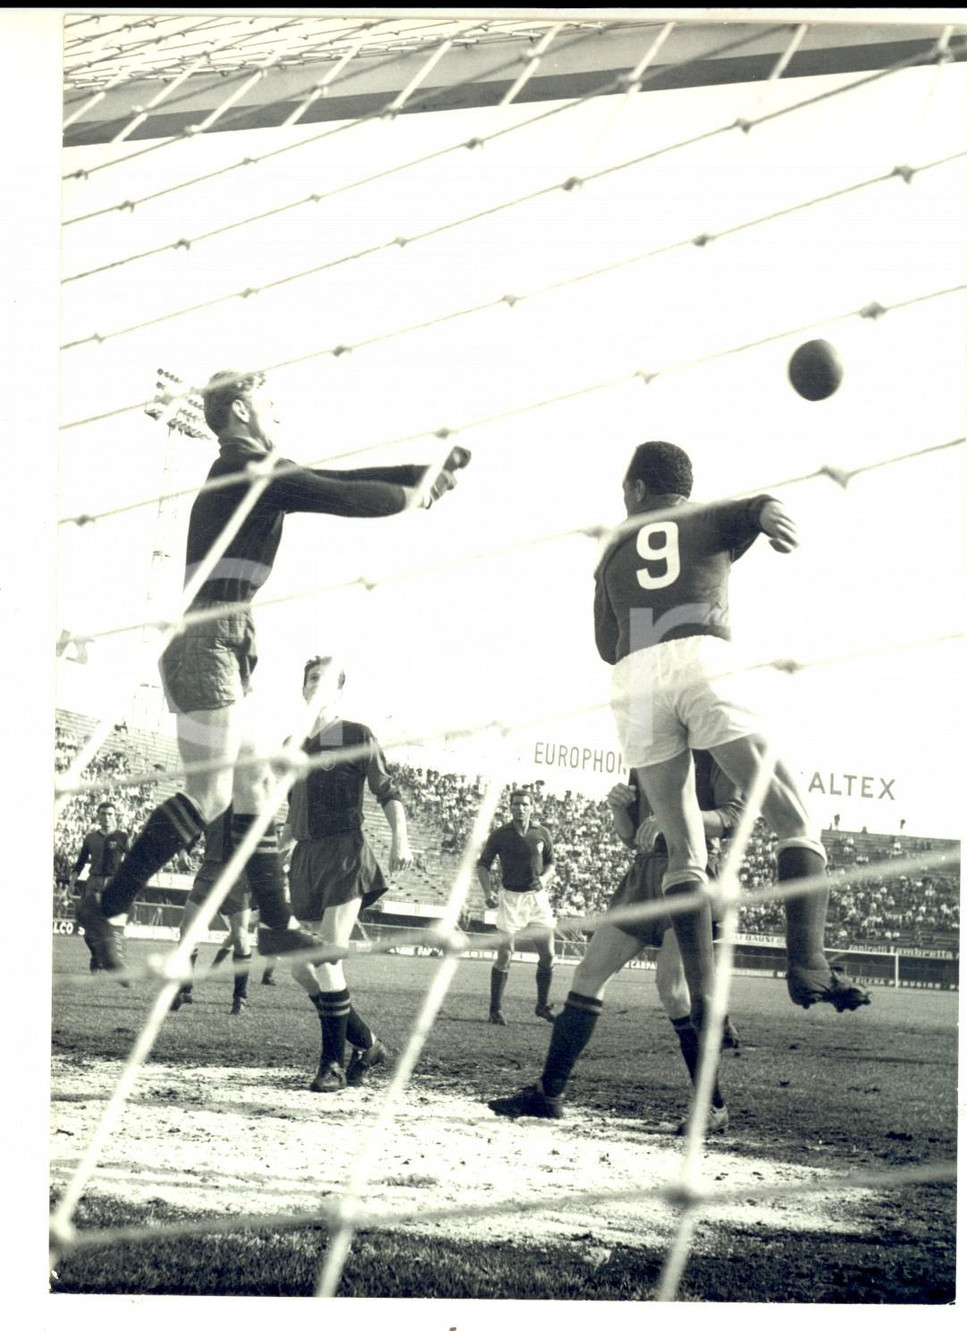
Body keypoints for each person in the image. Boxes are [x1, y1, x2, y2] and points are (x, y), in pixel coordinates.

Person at [78, 369, 468, 973]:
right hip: (209, 634)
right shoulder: (246, 468)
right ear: (239, 409)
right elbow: (340, 496)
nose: (278, 412)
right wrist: (416, 491)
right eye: (268, 402)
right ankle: (111, 904)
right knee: (210, 793)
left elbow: (335, 479)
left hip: (225, 637)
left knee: (255, 784)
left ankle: (280, 927)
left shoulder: (253, 470)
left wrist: (420, 475)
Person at [592, 441, 868, 1049]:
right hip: (700, 657)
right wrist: (770, 516)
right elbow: (757, 510)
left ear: (636, 489)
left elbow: (606, 643)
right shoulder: (700, 514)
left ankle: (703, 996)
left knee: (683, 853)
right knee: (795, 819)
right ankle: (808, 964)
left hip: (633, 679)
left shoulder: (611, 548)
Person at [488, 752, 741, 1133]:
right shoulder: (650, 752)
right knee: (588, 975)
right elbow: (632, 838)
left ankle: (714, 1107)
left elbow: (733, 818)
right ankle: (548, 1094)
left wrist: (673, 820)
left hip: (693, 873)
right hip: (643, 876)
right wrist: (619, 810)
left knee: (673, 990)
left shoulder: (714, 749)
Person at [280, 655, 405, 1092]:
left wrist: (400, 840)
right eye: (311, 677)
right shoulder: (291, 745)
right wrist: (272, 853)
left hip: (345, 853)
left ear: (338, 691)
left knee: (327, 955)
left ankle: (331, 1064)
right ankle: (367, 1044)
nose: (318, 684)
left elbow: (388, 790)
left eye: (327, 680)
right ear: (304, 688)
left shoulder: (354, 734)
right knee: (299, 967)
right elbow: (294, 812)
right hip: (306, 858)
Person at [476, 788, 558, 1026]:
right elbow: (483, 865)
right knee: (505, 953)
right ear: (510, 807)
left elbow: (552, 863)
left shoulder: (542, 833)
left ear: (531, 807)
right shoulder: (500, 835)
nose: (520, 808)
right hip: (510, 898)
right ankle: (495, 1010)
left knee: (549, 954)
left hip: (536, 899)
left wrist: (543, 879)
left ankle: (542, 1006)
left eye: (524, 804)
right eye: (515, 804)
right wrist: (487, 892)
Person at [167, 807, 257, 1015]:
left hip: (239, 876)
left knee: (240, 936)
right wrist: (183, 852)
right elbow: (192, 832)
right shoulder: (212, 800)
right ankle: (184, 988)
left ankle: (240, 997)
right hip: (209, 872)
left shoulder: (251, 799)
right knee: (186, 931)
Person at [69, 802, 129, 972]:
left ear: (115, 816)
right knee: (88, 928)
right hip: (93, 882)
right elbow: (80, 863)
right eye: (103, 813)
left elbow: (133, 860)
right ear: (98, 816)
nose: (106, 817)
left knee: (114, 925)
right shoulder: (90, 838)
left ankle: (113, 962)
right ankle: (96, 955)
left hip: (114, 884)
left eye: (110, 814)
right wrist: (71, 883)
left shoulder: (122, 837)